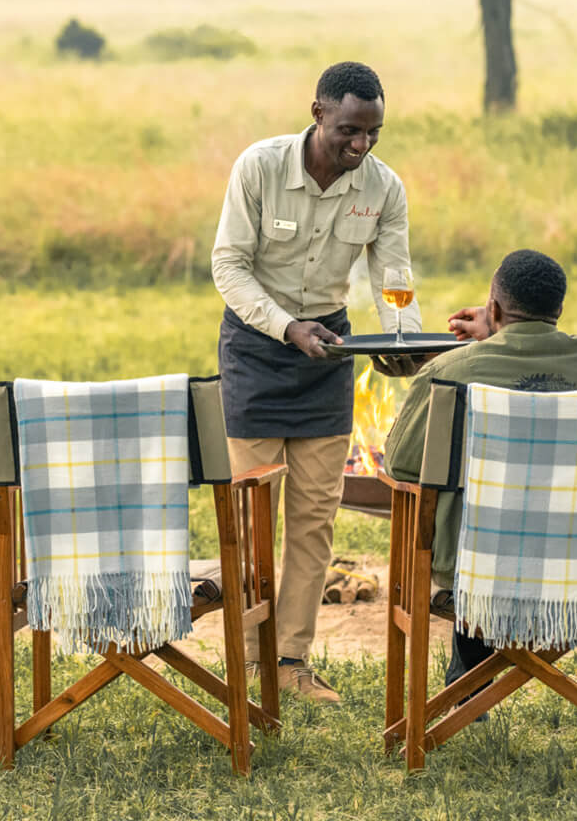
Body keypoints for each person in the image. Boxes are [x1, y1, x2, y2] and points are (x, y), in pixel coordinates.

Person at [210, 60, 423, 703]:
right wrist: (285, 327)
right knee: (252, 515)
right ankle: (247, 663)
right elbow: (229, 265)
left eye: (374, 134)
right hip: (255, 347)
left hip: (328, 351)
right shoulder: (259, 167)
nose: (361, 146)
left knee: (313, 519)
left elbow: (394, 275)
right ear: (319, 114)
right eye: (350, 131)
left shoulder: (383, 188)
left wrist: (401, 338)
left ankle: (291, 663)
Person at [382, 249, 577, 695]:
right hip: (575, 562)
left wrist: (488, 334)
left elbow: (402, 464)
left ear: (493, 309)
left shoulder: (450, 371)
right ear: (560, 310)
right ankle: (470, 679)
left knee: (474, 515)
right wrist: (498, 330)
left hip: (475, 569)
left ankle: (465, 685)